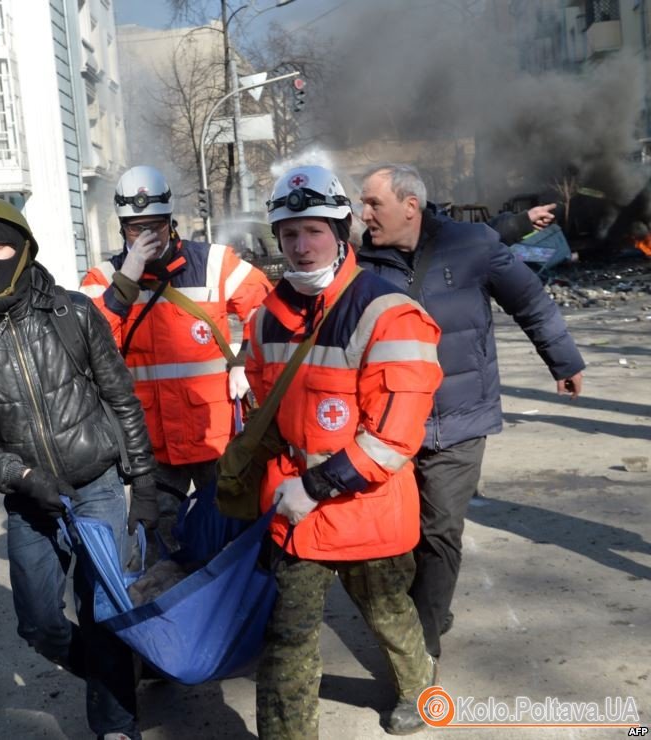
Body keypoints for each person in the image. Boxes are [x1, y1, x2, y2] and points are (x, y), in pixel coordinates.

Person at [0, 198, 157, 740]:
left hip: (97, 484)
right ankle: (119, 670)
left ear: (24, 248)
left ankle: (115, 724)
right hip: (28, 499)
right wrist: (22, 477)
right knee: (38, 624)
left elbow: (120, 397)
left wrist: (144, 482)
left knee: (101, 610)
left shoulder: (73, 313)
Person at [356, 164, 585, 661]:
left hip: (461, 417)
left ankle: (422, 647)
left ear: (410, 206)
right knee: (402, 535)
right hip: (392, 425)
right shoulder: (361, 266)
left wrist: (563, 361)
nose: (364, 213)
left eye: (374, 203)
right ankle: (431, 606)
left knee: (440, 530)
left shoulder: (471, 245)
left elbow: (531, 302)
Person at [247, 165, 443, 738]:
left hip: (366, 506)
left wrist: (312, 486)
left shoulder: (389, 311)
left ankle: (421, 687)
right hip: (294, 514)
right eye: (289, 235)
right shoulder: (268, 316)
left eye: (314, 231)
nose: (301, 247)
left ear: (341, 231)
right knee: (286, 639)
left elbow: (392, 437)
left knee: (388, 614)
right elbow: (265, 407)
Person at [79, 165, 272, 549]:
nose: (147, 237)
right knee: (161, 551)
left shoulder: (214, 263)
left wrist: (245, 359)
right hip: (150, 447)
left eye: (156, 226)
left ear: (171, 222)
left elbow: (269, 309)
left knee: (226, 543)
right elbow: (86, 344)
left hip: (214, 439)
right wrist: (124, 285)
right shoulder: (102, 279)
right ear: (122, 229)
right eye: (137, 228)